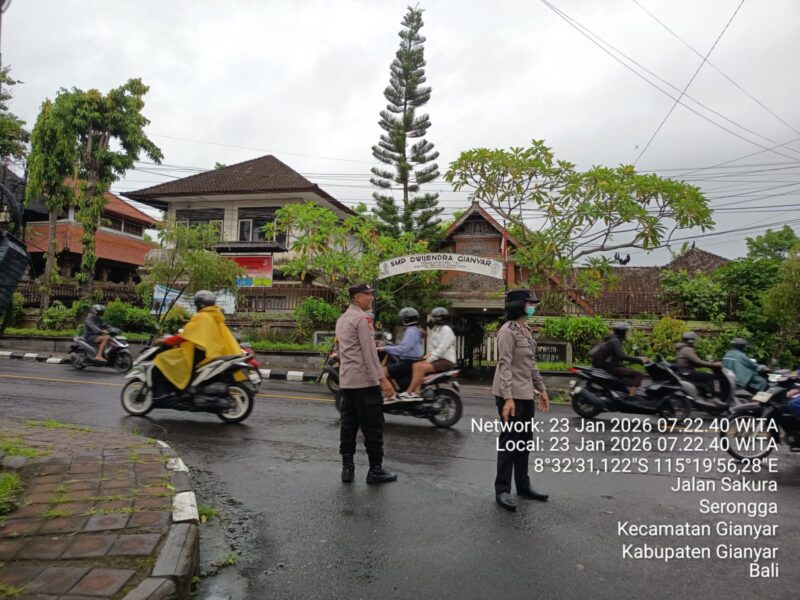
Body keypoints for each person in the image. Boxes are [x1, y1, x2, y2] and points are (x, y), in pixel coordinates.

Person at [492, 289, 550, 512]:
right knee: (510, 442)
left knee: (524, 441)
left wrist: (541, 389)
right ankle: (502, 490)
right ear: (518, 305)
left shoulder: (524, 330)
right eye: (529, 303)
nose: (532, 307)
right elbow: (504, 364)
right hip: (510, 395)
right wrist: (508, 398)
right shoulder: (507, 331)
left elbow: (530, 363)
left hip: (525, 394)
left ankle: (523, 486)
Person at [336, 283, 397, 485]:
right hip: (365, 383)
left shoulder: (342, 319)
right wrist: (382, 379)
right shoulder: (362, 319)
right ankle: (375, 471)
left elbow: (343, 351)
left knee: (348, 426)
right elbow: (369, 353)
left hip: (347, 382)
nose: (371, 298)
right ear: (357, 298)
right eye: (368, 295)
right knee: (373, 428)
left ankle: (347, 469)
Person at [151, 290, 243, 404]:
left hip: (200, 352)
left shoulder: (203, 316)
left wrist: (165, 341)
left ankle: (183, 392)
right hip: (211, 351)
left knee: (164, 359)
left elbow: (185, 336)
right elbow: (191, 331)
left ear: (200, 304)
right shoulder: (213, 315)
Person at [397, 307, 456, 400]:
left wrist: (429, 360)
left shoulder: (446, 330)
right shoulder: (436, 329)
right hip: (437, 359)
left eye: (437, 317)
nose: (435, 319)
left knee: (421, 367)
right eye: (434, 317)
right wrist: (427, 356)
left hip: (446, 360)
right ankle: (416, 392)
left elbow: (441, 349)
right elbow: (431, 346)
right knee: (416, 365)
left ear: (443, 318)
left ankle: (409, 392)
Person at [591, 323, 650, 396]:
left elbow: (617, 356)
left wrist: (637, 359)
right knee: (638, 374)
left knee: (629, 372)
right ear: (622, 332)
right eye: (627, 331)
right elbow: (621, 356)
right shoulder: (615, 341)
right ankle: (631, 398)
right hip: (609, 367)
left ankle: (623, 393)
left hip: (606, 365)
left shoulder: (612, 339)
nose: (628, 333)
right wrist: (639, 359)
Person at [382, 307, 425, 404]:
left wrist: (385, 348)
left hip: (408, 363)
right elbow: (405, 346)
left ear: (407, 319)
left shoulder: (411, 331)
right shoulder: (416, 330)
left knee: (380, 372)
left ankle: (391, 395)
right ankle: (397, 391)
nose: (402, 321)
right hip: (412, 362)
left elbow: (403, 349)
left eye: (403, 318)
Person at [675, 332, 723, 399]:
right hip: (688, 373)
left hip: (684, 372)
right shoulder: (687, 349)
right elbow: (698, 361)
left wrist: (707, 364)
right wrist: (713, 364)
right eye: (694, 340)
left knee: (704, 375)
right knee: (711, 377)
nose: (695, 342)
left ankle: (704, 395)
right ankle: (715, 398)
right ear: (690, 341)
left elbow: (694, 362)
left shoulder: (683, 348)